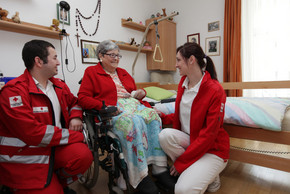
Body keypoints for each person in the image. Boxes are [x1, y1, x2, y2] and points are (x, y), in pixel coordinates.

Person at [78, 40, 176, 194]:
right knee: (133, 122)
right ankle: (140, 174)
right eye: (112, 55)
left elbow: (133, 92)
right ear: (101, 56)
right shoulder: (91, 72)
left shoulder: (123, 72)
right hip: (112, 110)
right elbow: (83, 98)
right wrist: (104, 107)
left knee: (153, 117)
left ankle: (159, 168)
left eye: (118, 55)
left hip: (133, 104)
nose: (116, 58)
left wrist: (141, 93)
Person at [0, 40, 93, 194]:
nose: (58, 62)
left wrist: (75, 117)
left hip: (53, 148)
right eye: (55, 58)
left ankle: (56, 181)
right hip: (26, 157)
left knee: (83, 156)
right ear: (38, 61)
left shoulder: (59, 85)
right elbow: (33, 133)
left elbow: (75, 103)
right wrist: (75, 136)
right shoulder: (14, 92)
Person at [156, 42, 230, 194]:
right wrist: (162, 117)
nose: (176, 65)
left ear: (191, 60)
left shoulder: (215, 90)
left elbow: (209, 135)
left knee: (182, 190)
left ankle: (211, 174)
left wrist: (180, 164)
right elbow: (184, 114)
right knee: (165, 135)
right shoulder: (183, 84)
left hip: (212, 149)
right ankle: (197, 170)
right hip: (193, 141)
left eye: (178, 60)